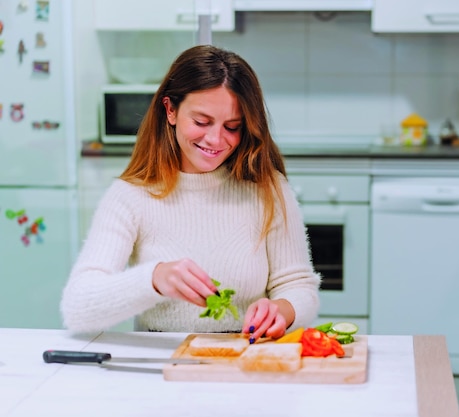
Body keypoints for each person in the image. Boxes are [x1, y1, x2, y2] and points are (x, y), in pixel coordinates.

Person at [61, 45, 320, 342]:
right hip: (163, 365)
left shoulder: (267, 188)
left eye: (233, 127)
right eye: (201, 122)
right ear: (170, 110)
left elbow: (299, 285)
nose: (215, 139)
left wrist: (282, 310)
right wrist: (154, 279)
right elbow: (77, 308)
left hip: (246, 360)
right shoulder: (131, 196)